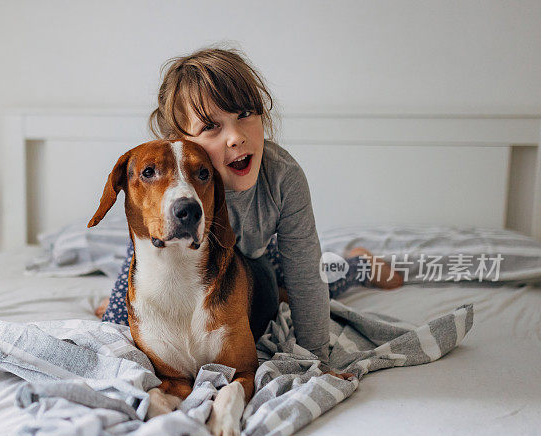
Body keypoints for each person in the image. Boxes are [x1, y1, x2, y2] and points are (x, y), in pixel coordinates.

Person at [96, 47, 403, 363]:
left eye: (245, 115)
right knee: (118, 317)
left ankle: (359, 264)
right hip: (196, 264)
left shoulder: (283, 177)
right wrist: (122, 313)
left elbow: (306, 273)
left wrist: (315, 356)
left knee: (305, 283)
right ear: (181, 142)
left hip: (258, 255)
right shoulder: (176, 192)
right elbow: (142, 257)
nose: (235, 137)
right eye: (211, 126)